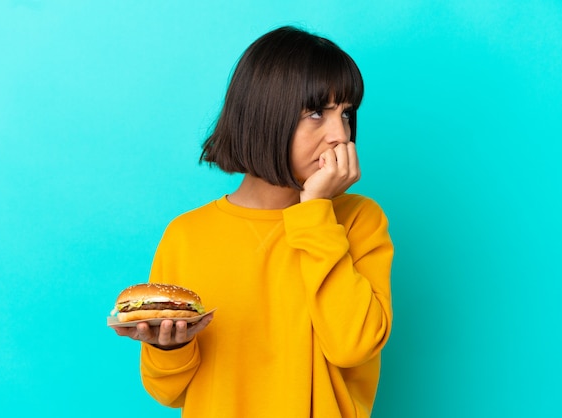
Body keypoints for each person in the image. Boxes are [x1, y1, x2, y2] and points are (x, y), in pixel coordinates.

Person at [112, 25, 394, 417]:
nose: (340, 134)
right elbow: (170, 393)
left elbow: (354, 345)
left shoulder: (358, 220)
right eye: (316, 113)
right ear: (265, 117)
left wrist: (314, 211)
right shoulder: (188, 236)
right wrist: (169, 348)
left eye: (346, 113)